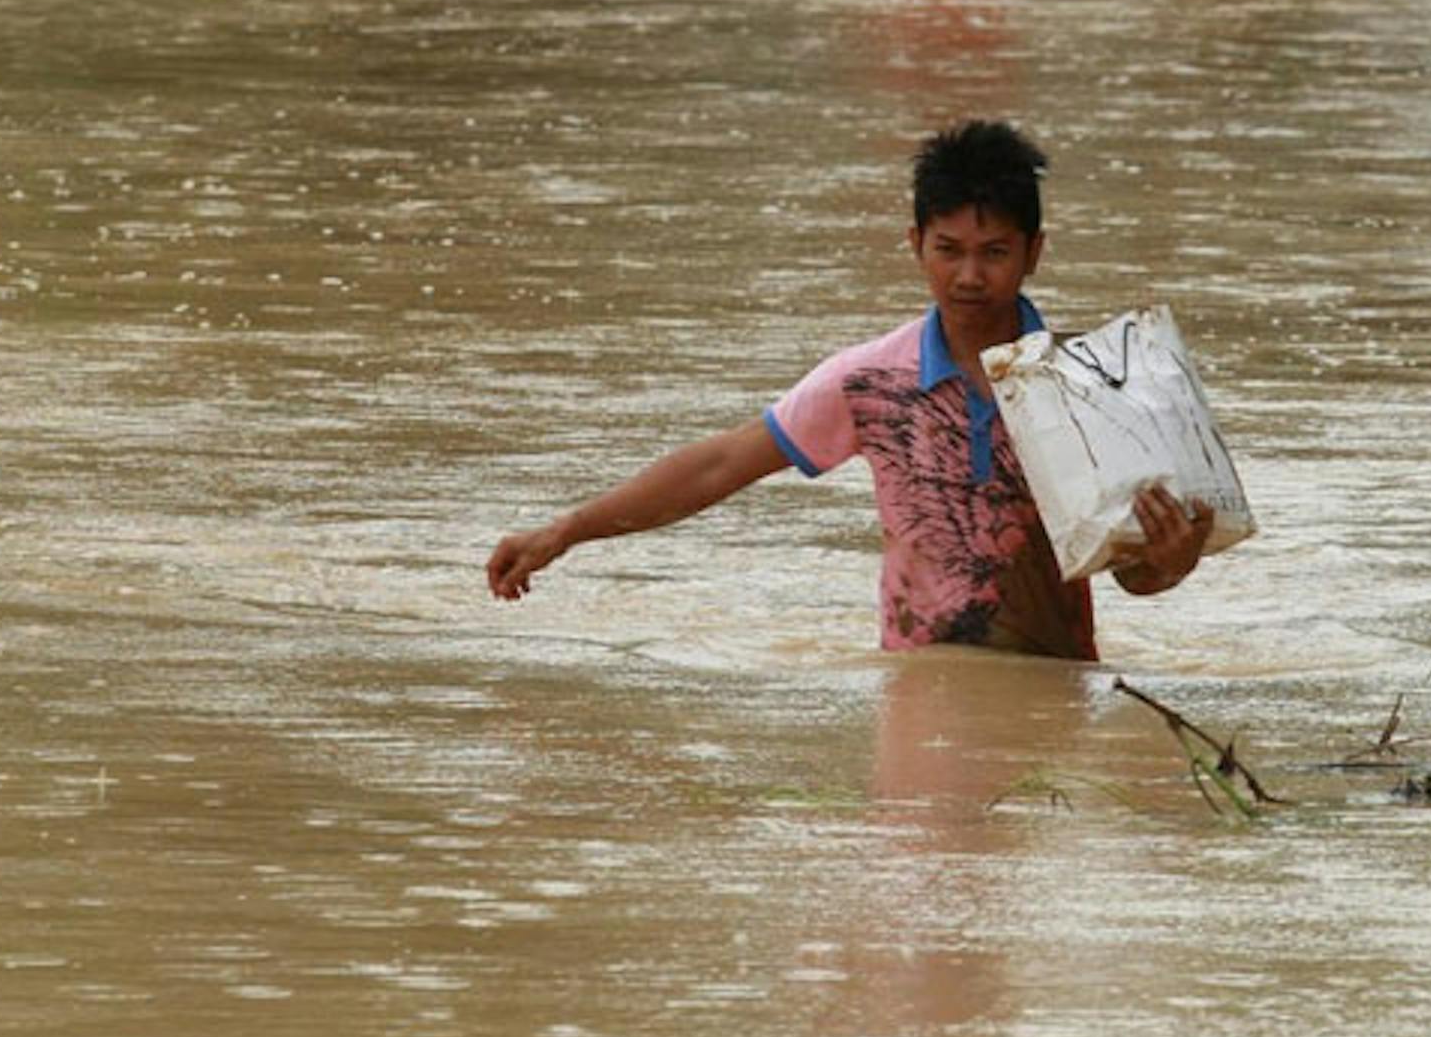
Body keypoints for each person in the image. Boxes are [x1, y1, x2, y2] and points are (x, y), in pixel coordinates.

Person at [487, 121, 1214, 660]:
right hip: (915, 686)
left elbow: (1131, 575)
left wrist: (1172, 562)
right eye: (948, 250)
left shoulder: (1090, 387)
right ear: (915, 244)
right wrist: (566, 531)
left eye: (995, 253)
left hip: (1051, 684)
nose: (970, 276)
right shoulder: (871, 380)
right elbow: (721, 464)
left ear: (1035, 252)